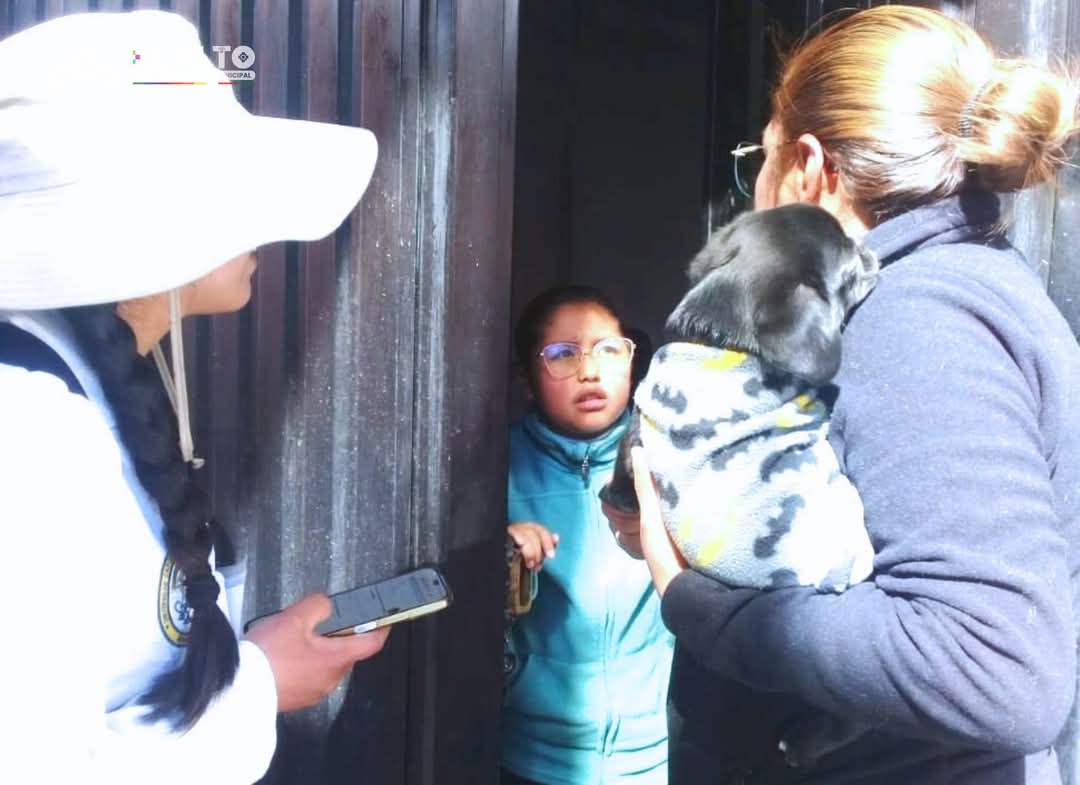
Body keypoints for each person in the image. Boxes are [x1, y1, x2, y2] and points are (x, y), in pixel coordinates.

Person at [605, 6, 1080, 785]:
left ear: (810, 168)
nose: (753, 188)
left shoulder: (919, 315)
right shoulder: (948, 287)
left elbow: (997, 666)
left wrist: (697, 602)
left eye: (755, 160)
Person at [0, 11, 391, 783]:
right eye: (225, 187)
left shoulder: (91, 380)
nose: (261, 224)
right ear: (140, 224)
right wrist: (260, 685)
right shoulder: (31, 432)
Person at [502, 286, 674, 785]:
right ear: (527, 380)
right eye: (562, 355)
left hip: (658, 756)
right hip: (531, 757)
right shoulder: (494, 466)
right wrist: (498, 552)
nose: (590, 371)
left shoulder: (669, 457)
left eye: (609, 350)